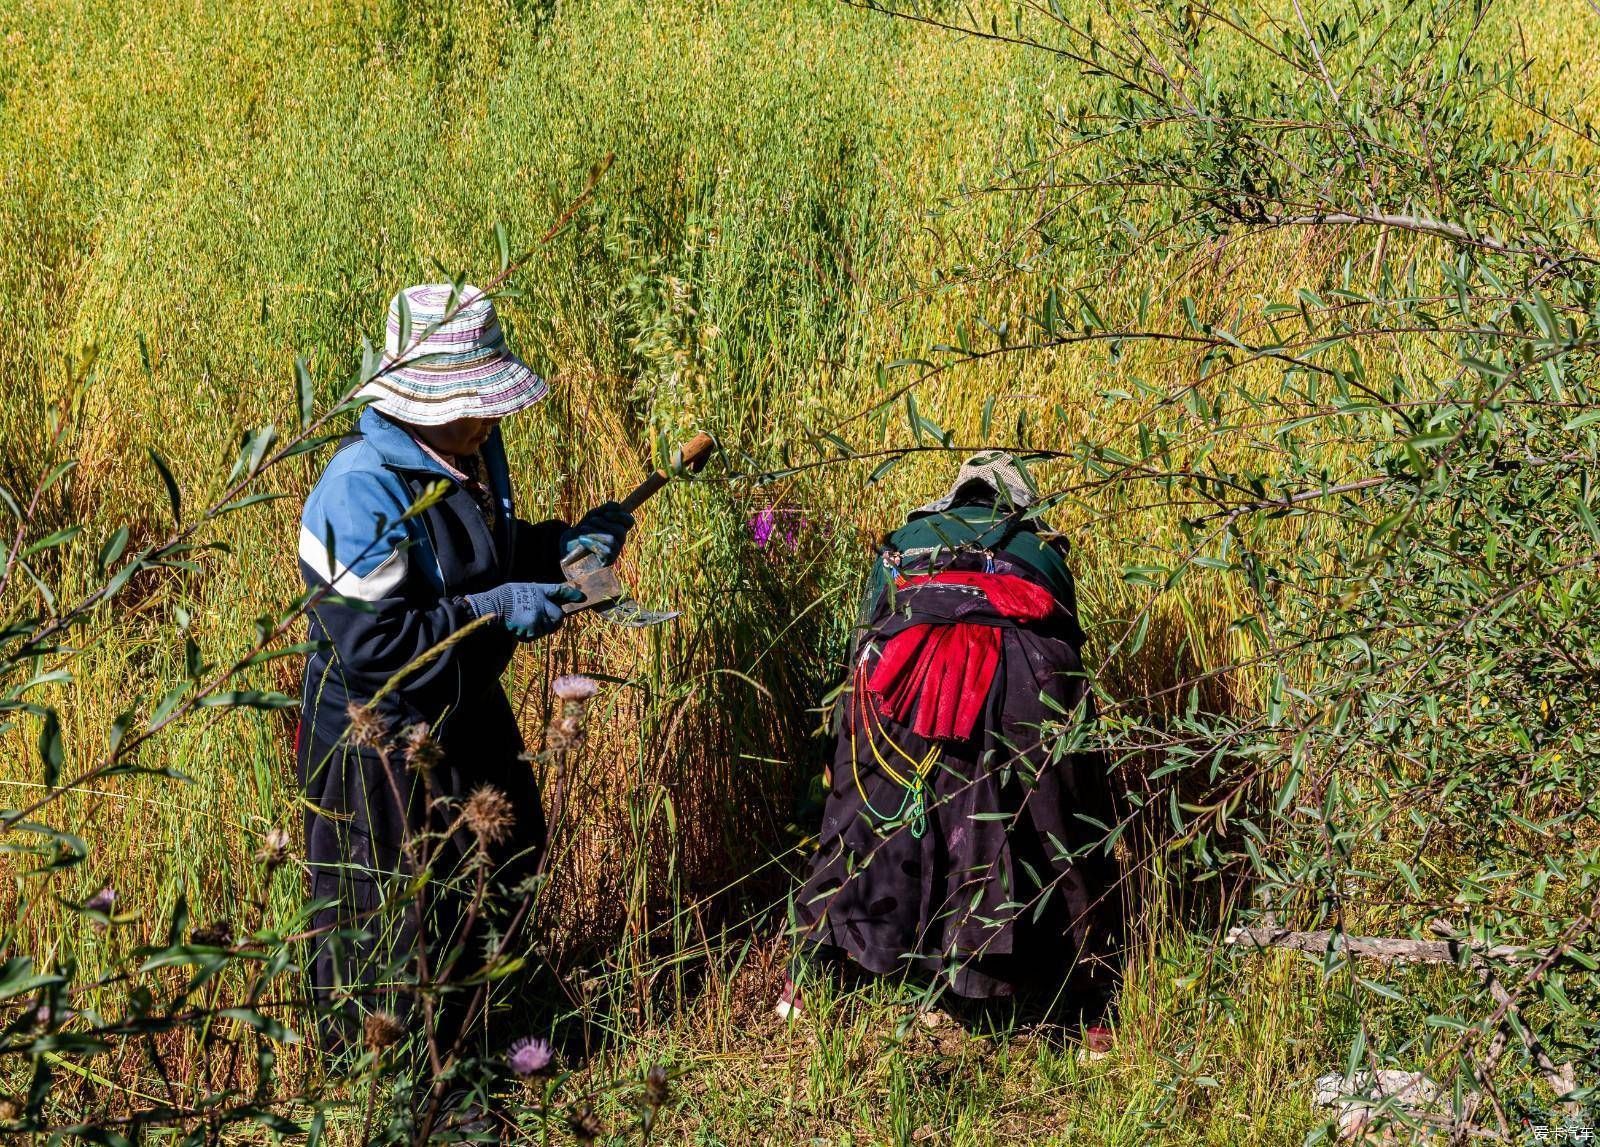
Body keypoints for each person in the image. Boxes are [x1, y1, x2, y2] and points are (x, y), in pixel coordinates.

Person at [295, 283, 631, 1052]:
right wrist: (495, 608)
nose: (493, 416)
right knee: (392, 910)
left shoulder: (465, 445)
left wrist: (562, 549)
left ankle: (475, 1039)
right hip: (377, 732)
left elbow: (482, 563)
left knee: (502, 855)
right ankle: (407, 1091)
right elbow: (378, 649)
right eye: (474, 399)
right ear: (416, 398)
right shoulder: (359, 491)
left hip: (461, 700)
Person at [786, 452, 1121, 1027]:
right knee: (1060, 822)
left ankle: (806, 980)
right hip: (1026, 675)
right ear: (1019, 504)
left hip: (899, 666)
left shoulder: (905, 539)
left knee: (863, 808)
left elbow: (864, 635)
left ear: (954, 497)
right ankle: (1090, 1002)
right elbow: (1067, 638)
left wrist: (848, 738)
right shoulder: (1042, 548)